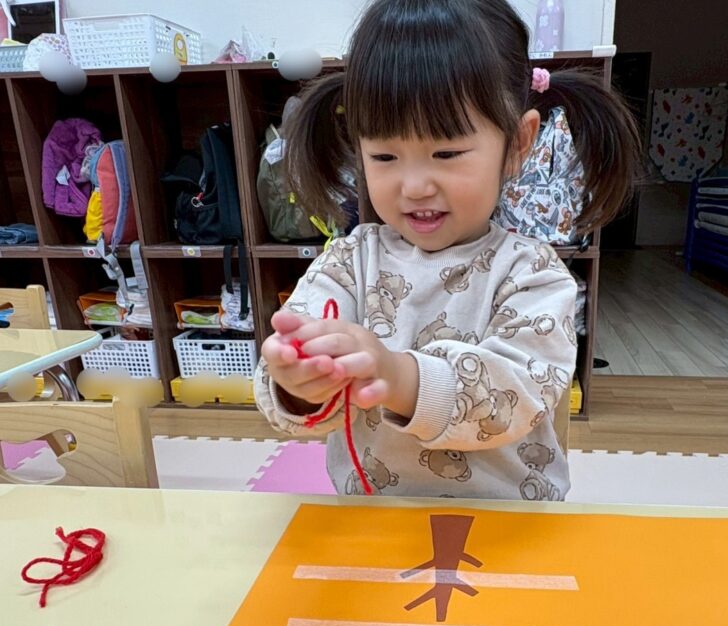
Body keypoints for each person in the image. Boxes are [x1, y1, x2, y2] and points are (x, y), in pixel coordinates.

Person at [255, 0, 639, 500]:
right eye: (385, 155)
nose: (415, 185)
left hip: (510, 522)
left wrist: (400, 376)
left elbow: (515, 397)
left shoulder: (534, 274)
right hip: (374, 520)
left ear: (517, 144)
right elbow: (292, 393)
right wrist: (298, 383)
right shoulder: (347, 264)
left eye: (446, 153)